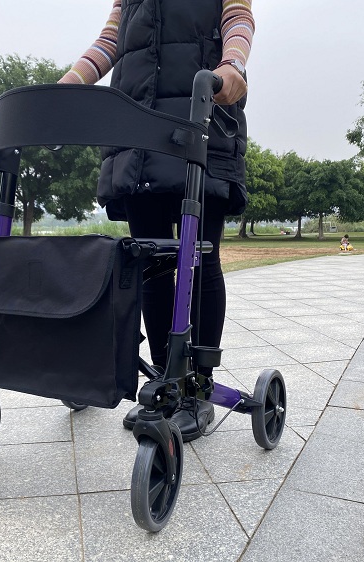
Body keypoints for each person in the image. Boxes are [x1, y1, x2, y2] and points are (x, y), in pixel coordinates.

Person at [60, 0, 254, 442]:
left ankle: (197, 388)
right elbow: (111, 41)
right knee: (151, 262)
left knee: (200, 260)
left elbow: (238, 18)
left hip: (201, 119)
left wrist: (233, 65)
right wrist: (69, 86)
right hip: (135, 135)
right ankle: (168, 379)